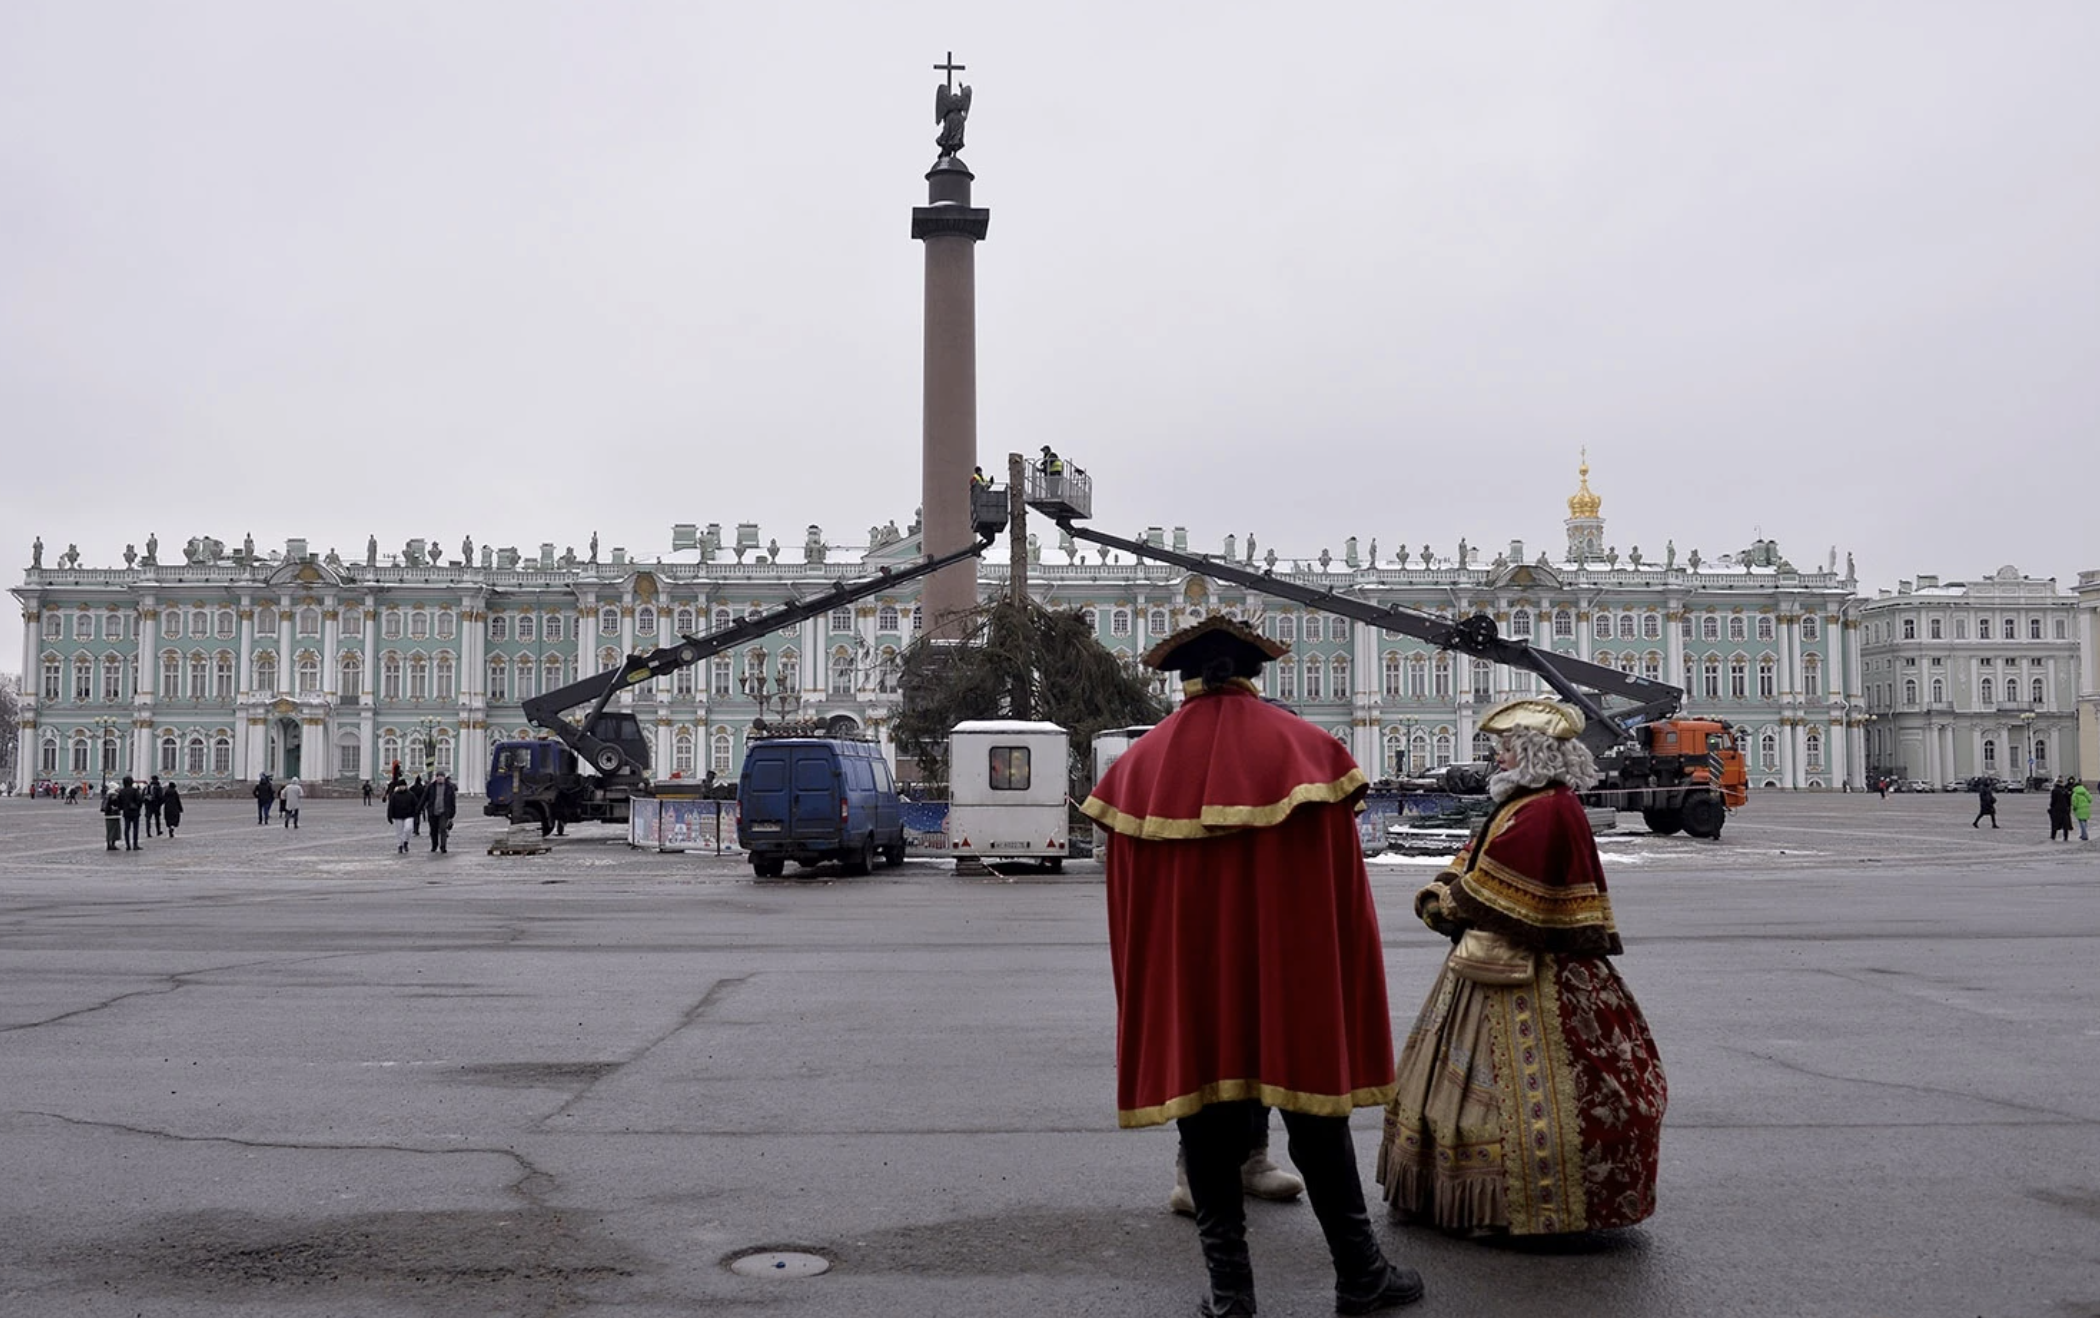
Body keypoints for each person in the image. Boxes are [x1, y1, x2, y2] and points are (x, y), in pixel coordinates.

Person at [1080, 616, 1424, 1317]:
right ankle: (1360, 1274)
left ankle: (1233, 1296)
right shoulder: (1309, 754)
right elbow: (1340, 896)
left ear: (1185, 679)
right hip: (1292, 981)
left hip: (1194, 987)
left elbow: (1133, 917)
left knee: (1203, 1125)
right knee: (1315, 1120)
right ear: (1250, 673)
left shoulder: (1139, 769)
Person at [1378, 698, 1667, 1238]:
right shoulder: (1526, 804)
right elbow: (1476, 860)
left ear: (1532, 753)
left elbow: (1498, 891)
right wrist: (1446, 885)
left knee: (1522, 1096)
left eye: (1507, 749)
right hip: (1496, 964)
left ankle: (1515, 1205)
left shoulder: (1544, 810)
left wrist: (1442, 903)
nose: (1498, 758)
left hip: (1529, 971)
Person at [424, 770, 458, 852]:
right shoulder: (431, 787)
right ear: (436, 778)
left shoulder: (449, 788)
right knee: (433, 830)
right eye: (438, 777)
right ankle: (434, 845)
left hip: (444, 811)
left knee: (443, 828)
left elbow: (452, 801)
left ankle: (443, 846)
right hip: (433, 811)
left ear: (444, 778)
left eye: (441, 777)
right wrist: (418, 809)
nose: (439, 778)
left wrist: (452, 814)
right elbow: (424, 798)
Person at [386, 778, 417, 853]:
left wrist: (416, 813)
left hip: (409, 815)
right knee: (399, 832)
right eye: (400, 786)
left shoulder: (411, 794)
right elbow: (391, 806)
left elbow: (415, 804)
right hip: (398, 816)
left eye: (403, 786)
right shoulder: (394, 795)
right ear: (398, 787)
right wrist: (389, 816)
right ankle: (400, 845)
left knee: (408, 829)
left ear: (406, 786)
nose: (402, 787)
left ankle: (405, 841)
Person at [115, 775, 145, 851]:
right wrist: (138, 807)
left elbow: (119, 803)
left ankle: (128, 845)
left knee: (127, 829)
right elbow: (139, 800)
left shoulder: (122, 791)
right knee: (135, 829)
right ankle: (135, 845)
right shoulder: (135, 790)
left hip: (126, 812)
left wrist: (122, 808)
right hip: (135, 812)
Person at [100, 784, 122, 851]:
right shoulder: (114, 795)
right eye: (117, 788)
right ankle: (112, 844)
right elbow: (117, 804)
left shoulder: (107, 795)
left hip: (108, 815)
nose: (118, 789)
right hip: (113, 815)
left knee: (109, 831)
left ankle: (109, 844)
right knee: (114, 830)